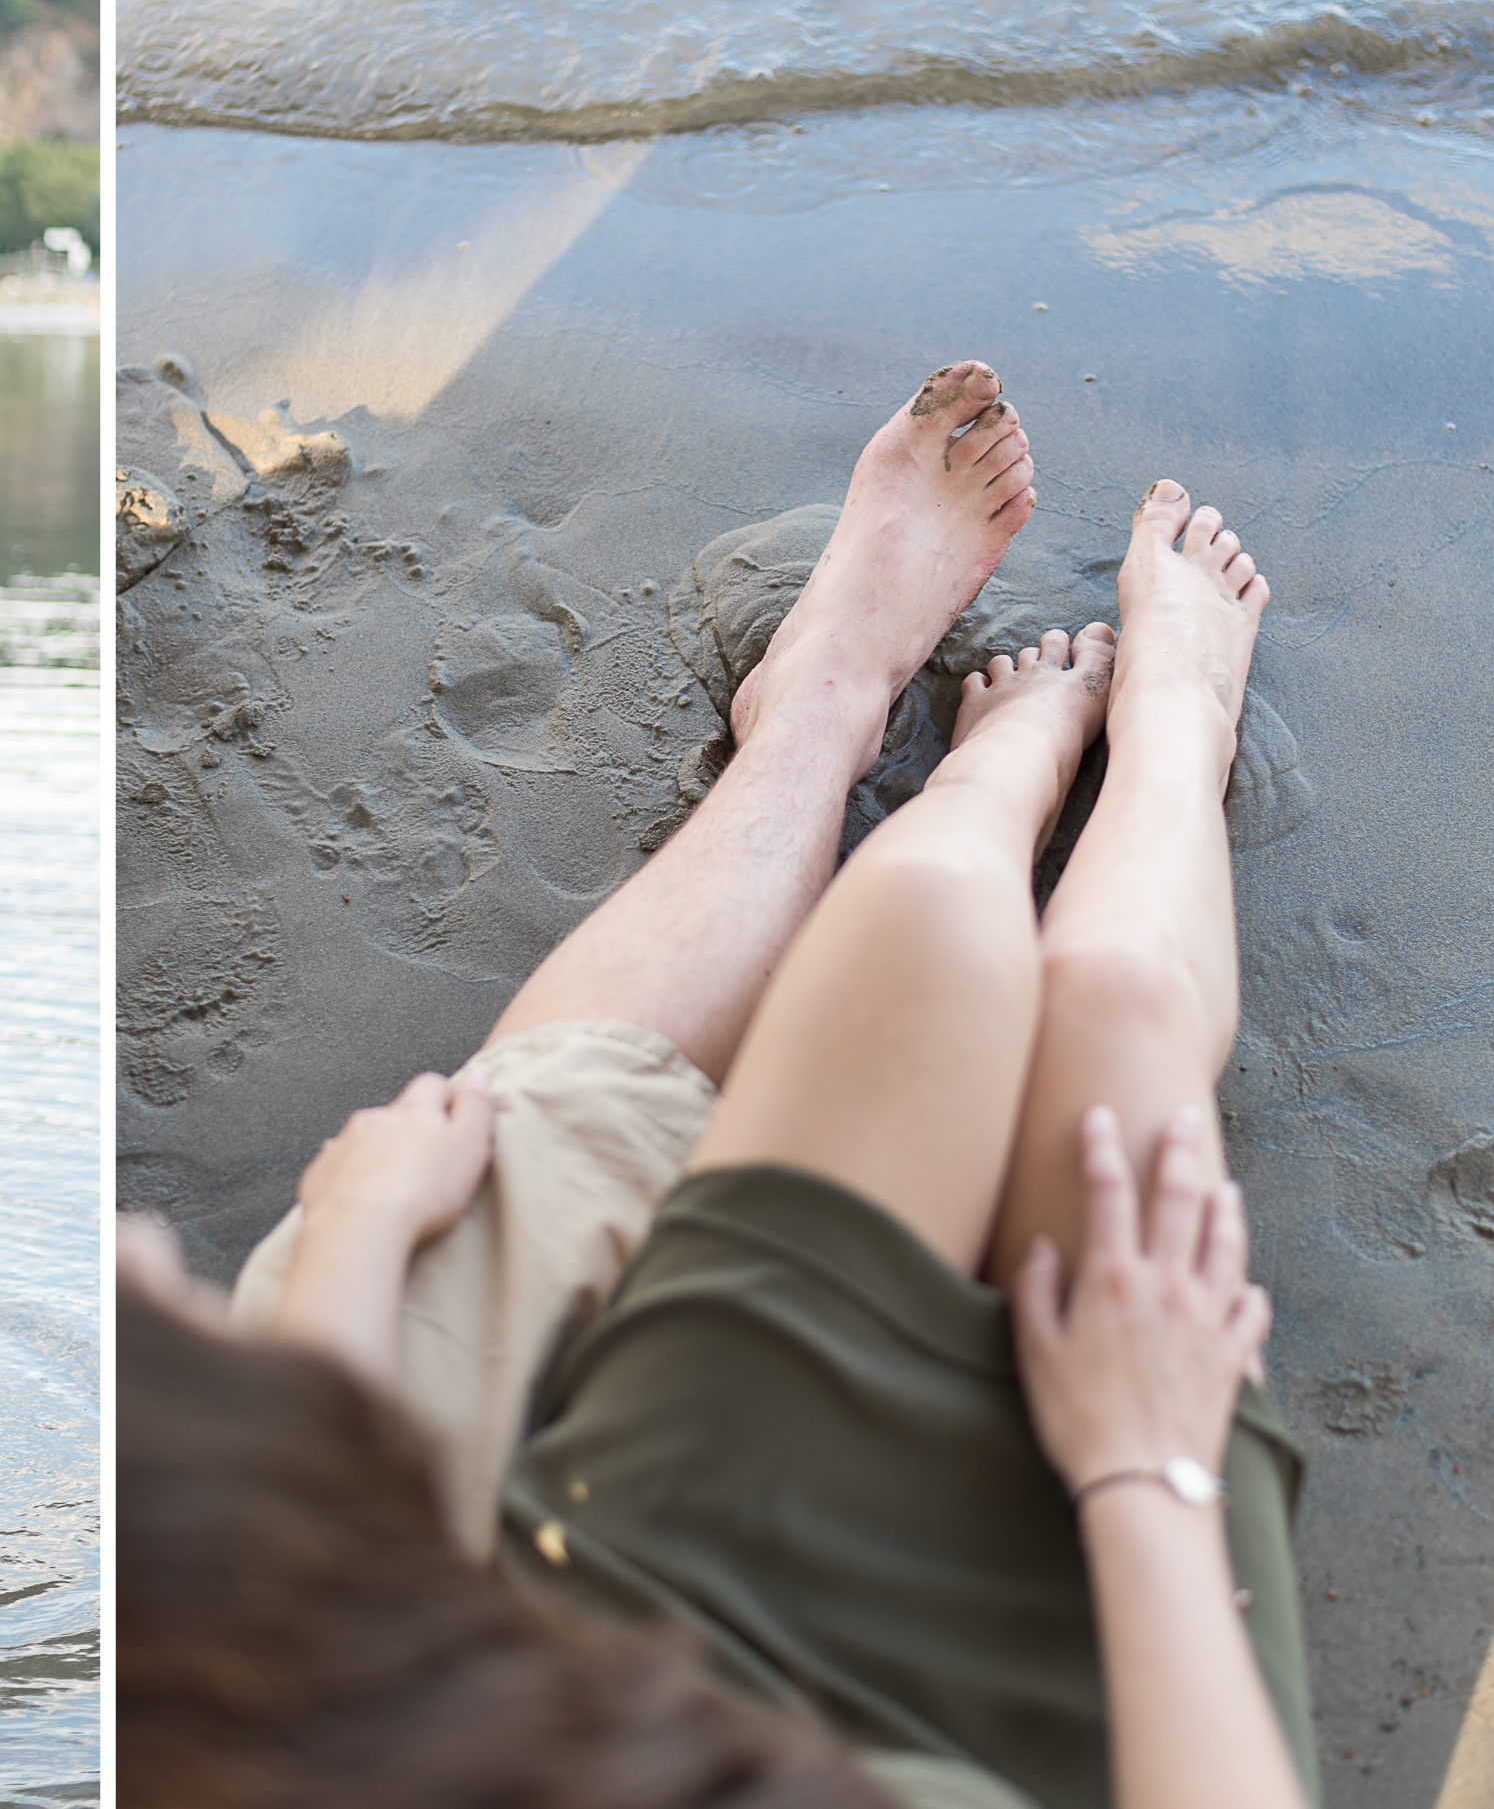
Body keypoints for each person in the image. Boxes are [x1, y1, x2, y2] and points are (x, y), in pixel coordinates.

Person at [124, 361, 1313, 1809]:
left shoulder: (262, 1714)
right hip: (1073, 1712)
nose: (133, 1240)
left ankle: (837, 706)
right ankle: (1174, 728)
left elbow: (279, 1591)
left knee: (927, 923)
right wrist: (1147, 1472)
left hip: (594, 1616)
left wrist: (364, 1233)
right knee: (1108, 1024)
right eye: (146, 1290)